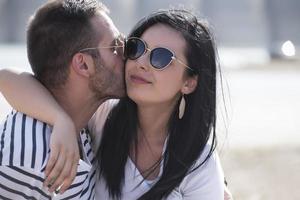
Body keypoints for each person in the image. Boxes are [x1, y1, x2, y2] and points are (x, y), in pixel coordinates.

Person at [0, 6, 234, 200]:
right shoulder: (102, 116)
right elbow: (8, 79)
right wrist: (60, 120)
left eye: (161, 57)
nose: (140, 62)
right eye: (136, 48)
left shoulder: (197, 159)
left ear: (189, 83)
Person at [0, 0, 125, 199]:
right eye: (115, 47)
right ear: (83, 64)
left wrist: (62, 120)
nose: (125, 55)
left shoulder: (82, 120)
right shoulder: (28, 156)